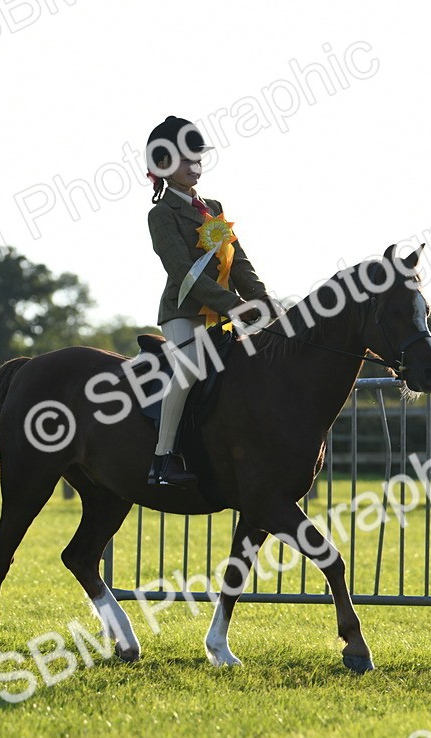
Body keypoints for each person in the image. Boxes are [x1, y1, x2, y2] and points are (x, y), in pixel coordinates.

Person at [144, 115, 277, 487]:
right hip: (183, 312)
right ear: (164, 165)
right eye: (186, 160)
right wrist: (234, 306)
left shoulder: (213, 208)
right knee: (187, 368)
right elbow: (185, 273)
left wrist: (265, 301)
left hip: (219, 315)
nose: (195, 167)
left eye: (197, 159)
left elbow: (239, 264)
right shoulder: (161, 215)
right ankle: (162, 460)